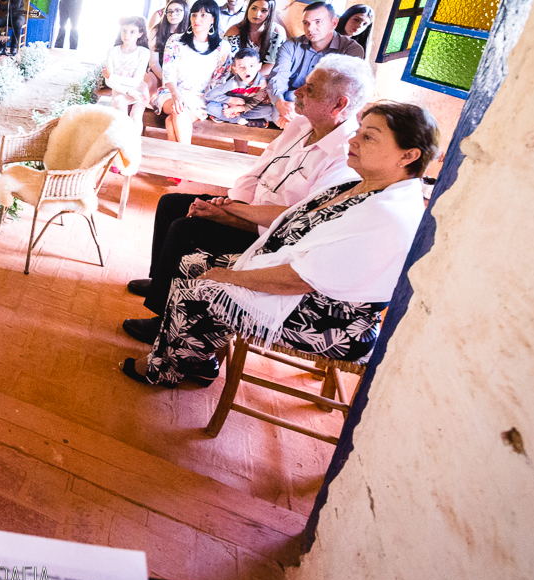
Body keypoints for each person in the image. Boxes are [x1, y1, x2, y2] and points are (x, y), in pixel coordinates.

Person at [121, 101, 438, 388]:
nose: (353, 140)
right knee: (193, 264)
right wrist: (229, 210)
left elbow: (300, 280)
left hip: (331, 319)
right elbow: (292, 217)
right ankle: (198, 360)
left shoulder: (387, 214)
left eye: (368, 137)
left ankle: (163, 368)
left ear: (408, 155)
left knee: (201, 289)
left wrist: (228, 276)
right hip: (301, 284)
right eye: (358, 132)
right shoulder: (361, 186)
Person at [123, 55, 373, 333]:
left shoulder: (343, 158)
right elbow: (258, 170)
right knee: (171, 204)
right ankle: (160, 281)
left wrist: (230, 216)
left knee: (184, 230)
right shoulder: (301, 125)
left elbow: (296, 223)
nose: (298, 92)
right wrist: (231, 203)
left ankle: (164, 322)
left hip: (271, 237)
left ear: (339, 105)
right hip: (247, 209)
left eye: (310, 90)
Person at [270, 2, 365, 125]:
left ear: (334, 23)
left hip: (325, 104)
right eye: (306, 23)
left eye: (318, 22)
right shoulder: (291, 45)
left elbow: (342, 89)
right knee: (286, 99)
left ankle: (294, 124)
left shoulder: (351, 50)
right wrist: (280, 103)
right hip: (291, 100)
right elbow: (279, 77)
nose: (310, 28)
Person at [153, 0, 232, 144]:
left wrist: (215, 101)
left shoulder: (223, 47)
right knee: (179, 109)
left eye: (203, 15)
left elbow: (220, 80)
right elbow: (168, 72)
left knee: (172, 121)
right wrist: (176, 94)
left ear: (213, 19)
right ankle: (186, 153)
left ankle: (178, 156)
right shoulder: (176, 40)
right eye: (194, 14)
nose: (197, 19)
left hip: (201, 98)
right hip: (171, 93)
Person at [204, 47, 275, 127]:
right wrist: (230, 100)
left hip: (245, 108)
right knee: (211, 107)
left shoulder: (262, 83)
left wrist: (238, 109)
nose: (246, 70)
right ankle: (239, 120)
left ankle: (238, 118)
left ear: (259, 66)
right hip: (228, 105)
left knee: (268, 110)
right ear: (235, 69)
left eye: (251, 66)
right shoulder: (233, 83)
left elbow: (255, 101)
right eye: (241, 67)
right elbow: (208, 96)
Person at [223, 0, 285, 79]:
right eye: (254, 8)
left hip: (262, 77)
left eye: (264, 10)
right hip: (236, 76)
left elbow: (271, 63)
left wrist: (253, 80)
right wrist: (244, 81)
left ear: (270, 13)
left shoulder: (277, 31)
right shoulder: (234, 31)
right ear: (248, 8)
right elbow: (231, 63)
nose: (257, 14)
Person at [104, 16, 154, 117]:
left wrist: (112, 76)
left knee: (136, 115)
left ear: (140, 34)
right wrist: (129, 91)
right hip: (120, 90)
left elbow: (136, 81)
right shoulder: (113, 51)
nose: (127, 35)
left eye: (132, 32)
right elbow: (108, 81)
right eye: (124, 30)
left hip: (138, 89)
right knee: (121, 117)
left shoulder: (144, 52)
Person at [148, 0, 187, 92]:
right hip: (158, 70)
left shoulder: (189, 33)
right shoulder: (155, 31)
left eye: (177, 10)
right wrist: (166, 81)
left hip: (179, 75)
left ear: (185, 12)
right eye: (169, 11)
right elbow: (153, 62)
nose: (173, 14)